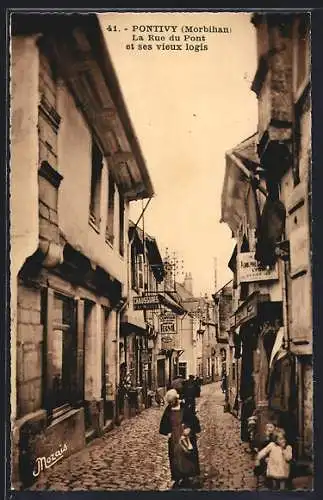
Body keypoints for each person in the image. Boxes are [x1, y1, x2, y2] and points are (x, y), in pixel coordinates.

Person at [159, 389, 201, 488]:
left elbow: (194, 420)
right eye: (169, 402)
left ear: (176, 399)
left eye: (172, 402)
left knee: (187, 456)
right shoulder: (168, 410)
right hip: (174, 437)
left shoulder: (185, 408)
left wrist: (190, 428)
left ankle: (189, 477)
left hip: (186, 437)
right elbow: (164, 424)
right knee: (175, 458)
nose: (170, 404)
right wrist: (168, 432)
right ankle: (178, 477)